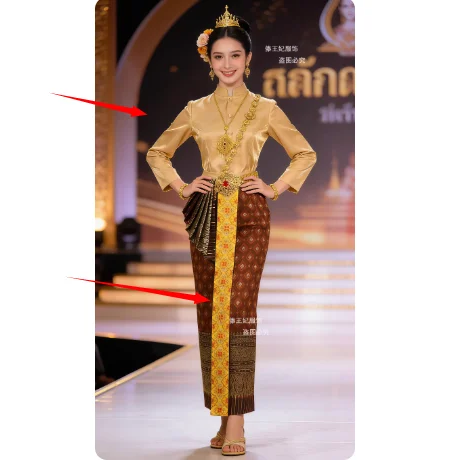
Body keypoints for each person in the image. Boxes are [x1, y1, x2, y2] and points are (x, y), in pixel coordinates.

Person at [146, 5, 317, 455]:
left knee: (238, 310)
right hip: (206, 216)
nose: (227, 64)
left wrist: (275, 187)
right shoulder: (195, 110)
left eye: (235, 55)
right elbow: (158, 153)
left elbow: (304, 153)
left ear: (248, 59)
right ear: (209, 60)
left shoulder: (266, 109)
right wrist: (182, 185)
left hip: (250, 214)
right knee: (211, 314)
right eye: (219, 56)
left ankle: (237, 421)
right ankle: (222, 415)